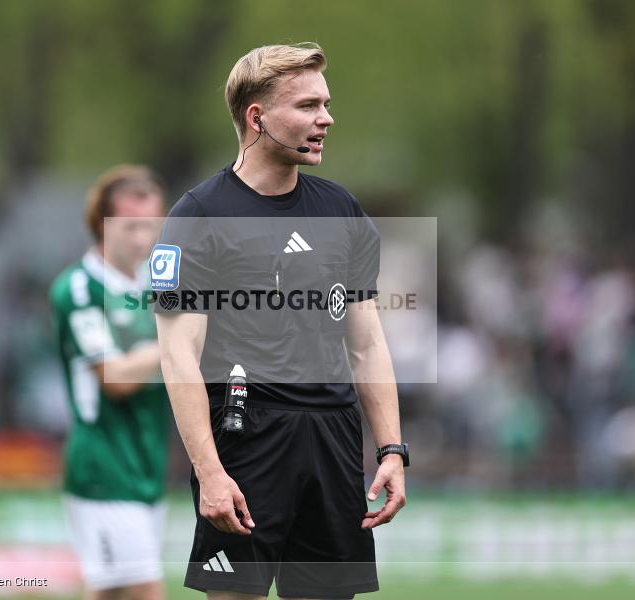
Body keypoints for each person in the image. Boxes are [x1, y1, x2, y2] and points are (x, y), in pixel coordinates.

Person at [151, 43, 407, 599]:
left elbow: (366, 343)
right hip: (248, 439)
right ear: (257, 117)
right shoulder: (197, 216)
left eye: (326, 104)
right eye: (308, 106)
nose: (326, 119)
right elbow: (178, 356)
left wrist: (391, 449)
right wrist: (210, 472)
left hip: (335, 439)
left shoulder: (342, 210)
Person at [50, 165, 169, 600]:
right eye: (132, 224)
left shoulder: (155, 286)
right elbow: (114, 378)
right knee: (144, 592)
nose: (145, 234)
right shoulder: (79, 289)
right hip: (105, 467)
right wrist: (176, 343)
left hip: (146, 465)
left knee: (109, 592)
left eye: (152, 224)